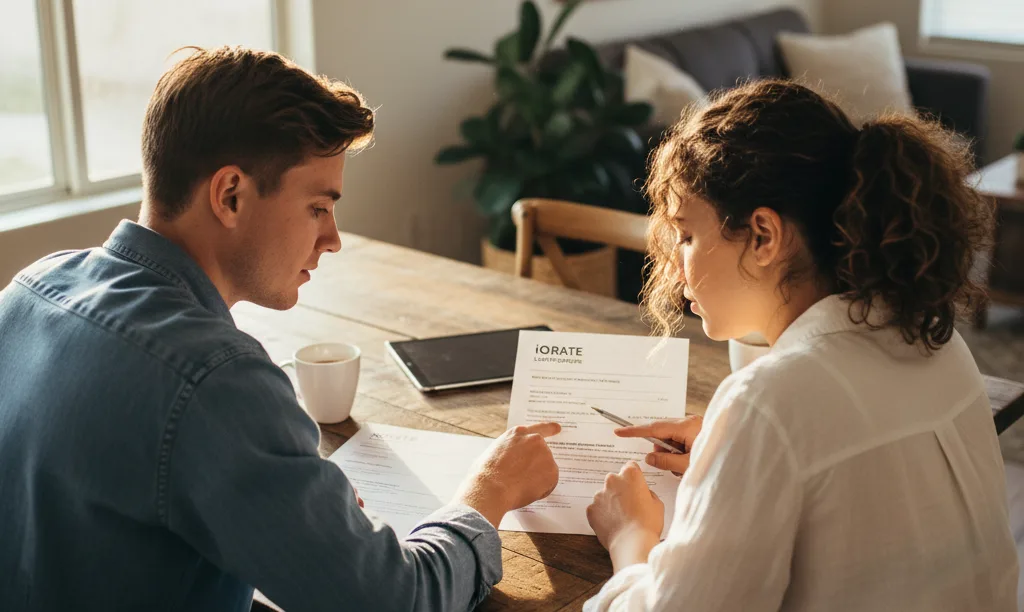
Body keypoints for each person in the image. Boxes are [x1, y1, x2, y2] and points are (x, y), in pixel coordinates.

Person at [0, 46, 562, 612]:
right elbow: (396, 601)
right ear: (231, 195)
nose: (333, 238)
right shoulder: (215, 381)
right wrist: (490, 491)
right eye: (319, 206)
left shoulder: (29, 289)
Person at [583, 79, 1018, 611]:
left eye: (687, 235)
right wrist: (737, 459)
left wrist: (630, 537)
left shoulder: (769, 401)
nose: (674, 267)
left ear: (764, 236)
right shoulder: (933, 339)